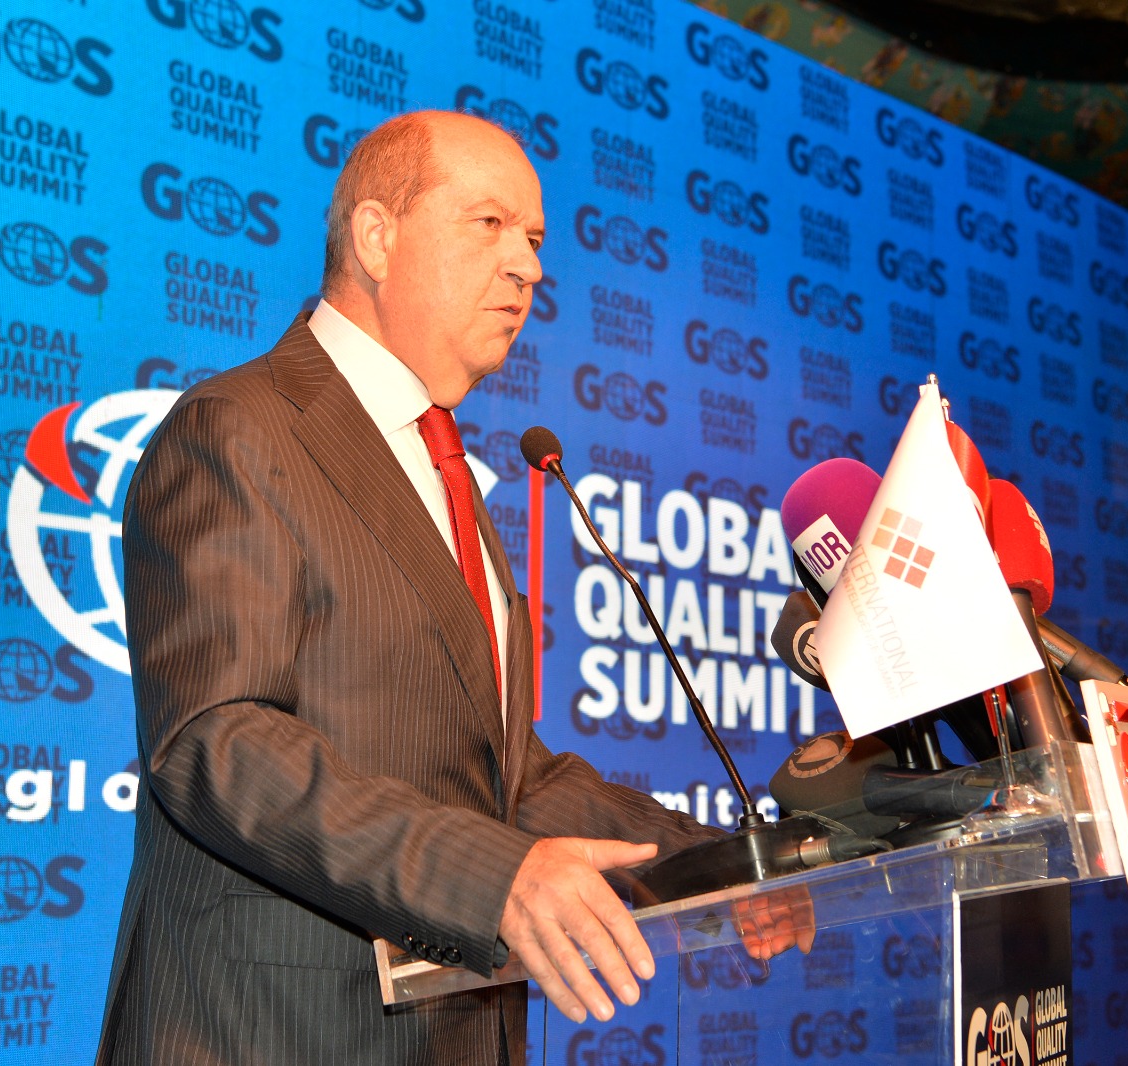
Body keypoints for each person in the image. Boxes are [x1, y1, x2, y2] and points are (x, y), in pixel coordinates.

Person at [94, 110, 810, 1066]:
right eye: (491, 225)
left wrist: (717, 866)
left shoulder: (446, 474)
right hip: (271, 1032)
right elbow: (217, 742)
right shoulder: (239, 428)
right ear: (376, 237)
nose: (529, 267)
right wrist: (494, 878)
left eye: (536, 240)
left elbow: (502, 778)